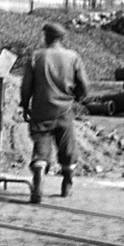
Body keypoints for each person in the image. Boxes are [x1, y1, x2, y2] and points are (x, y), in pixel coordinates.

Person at [20, 22, 90, 204]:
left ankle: (38, 179)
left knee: (41, 147)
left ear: (46, 37)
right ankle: (67, 184)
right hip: (65, 109)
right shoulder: (73, 57)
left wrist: (25, 105)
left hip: (41, 109)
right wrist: (78, 97)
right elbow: (84, 85)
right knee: (67, 147)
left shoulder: (36, 56)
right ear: (62, 38)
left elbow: (26, 85)